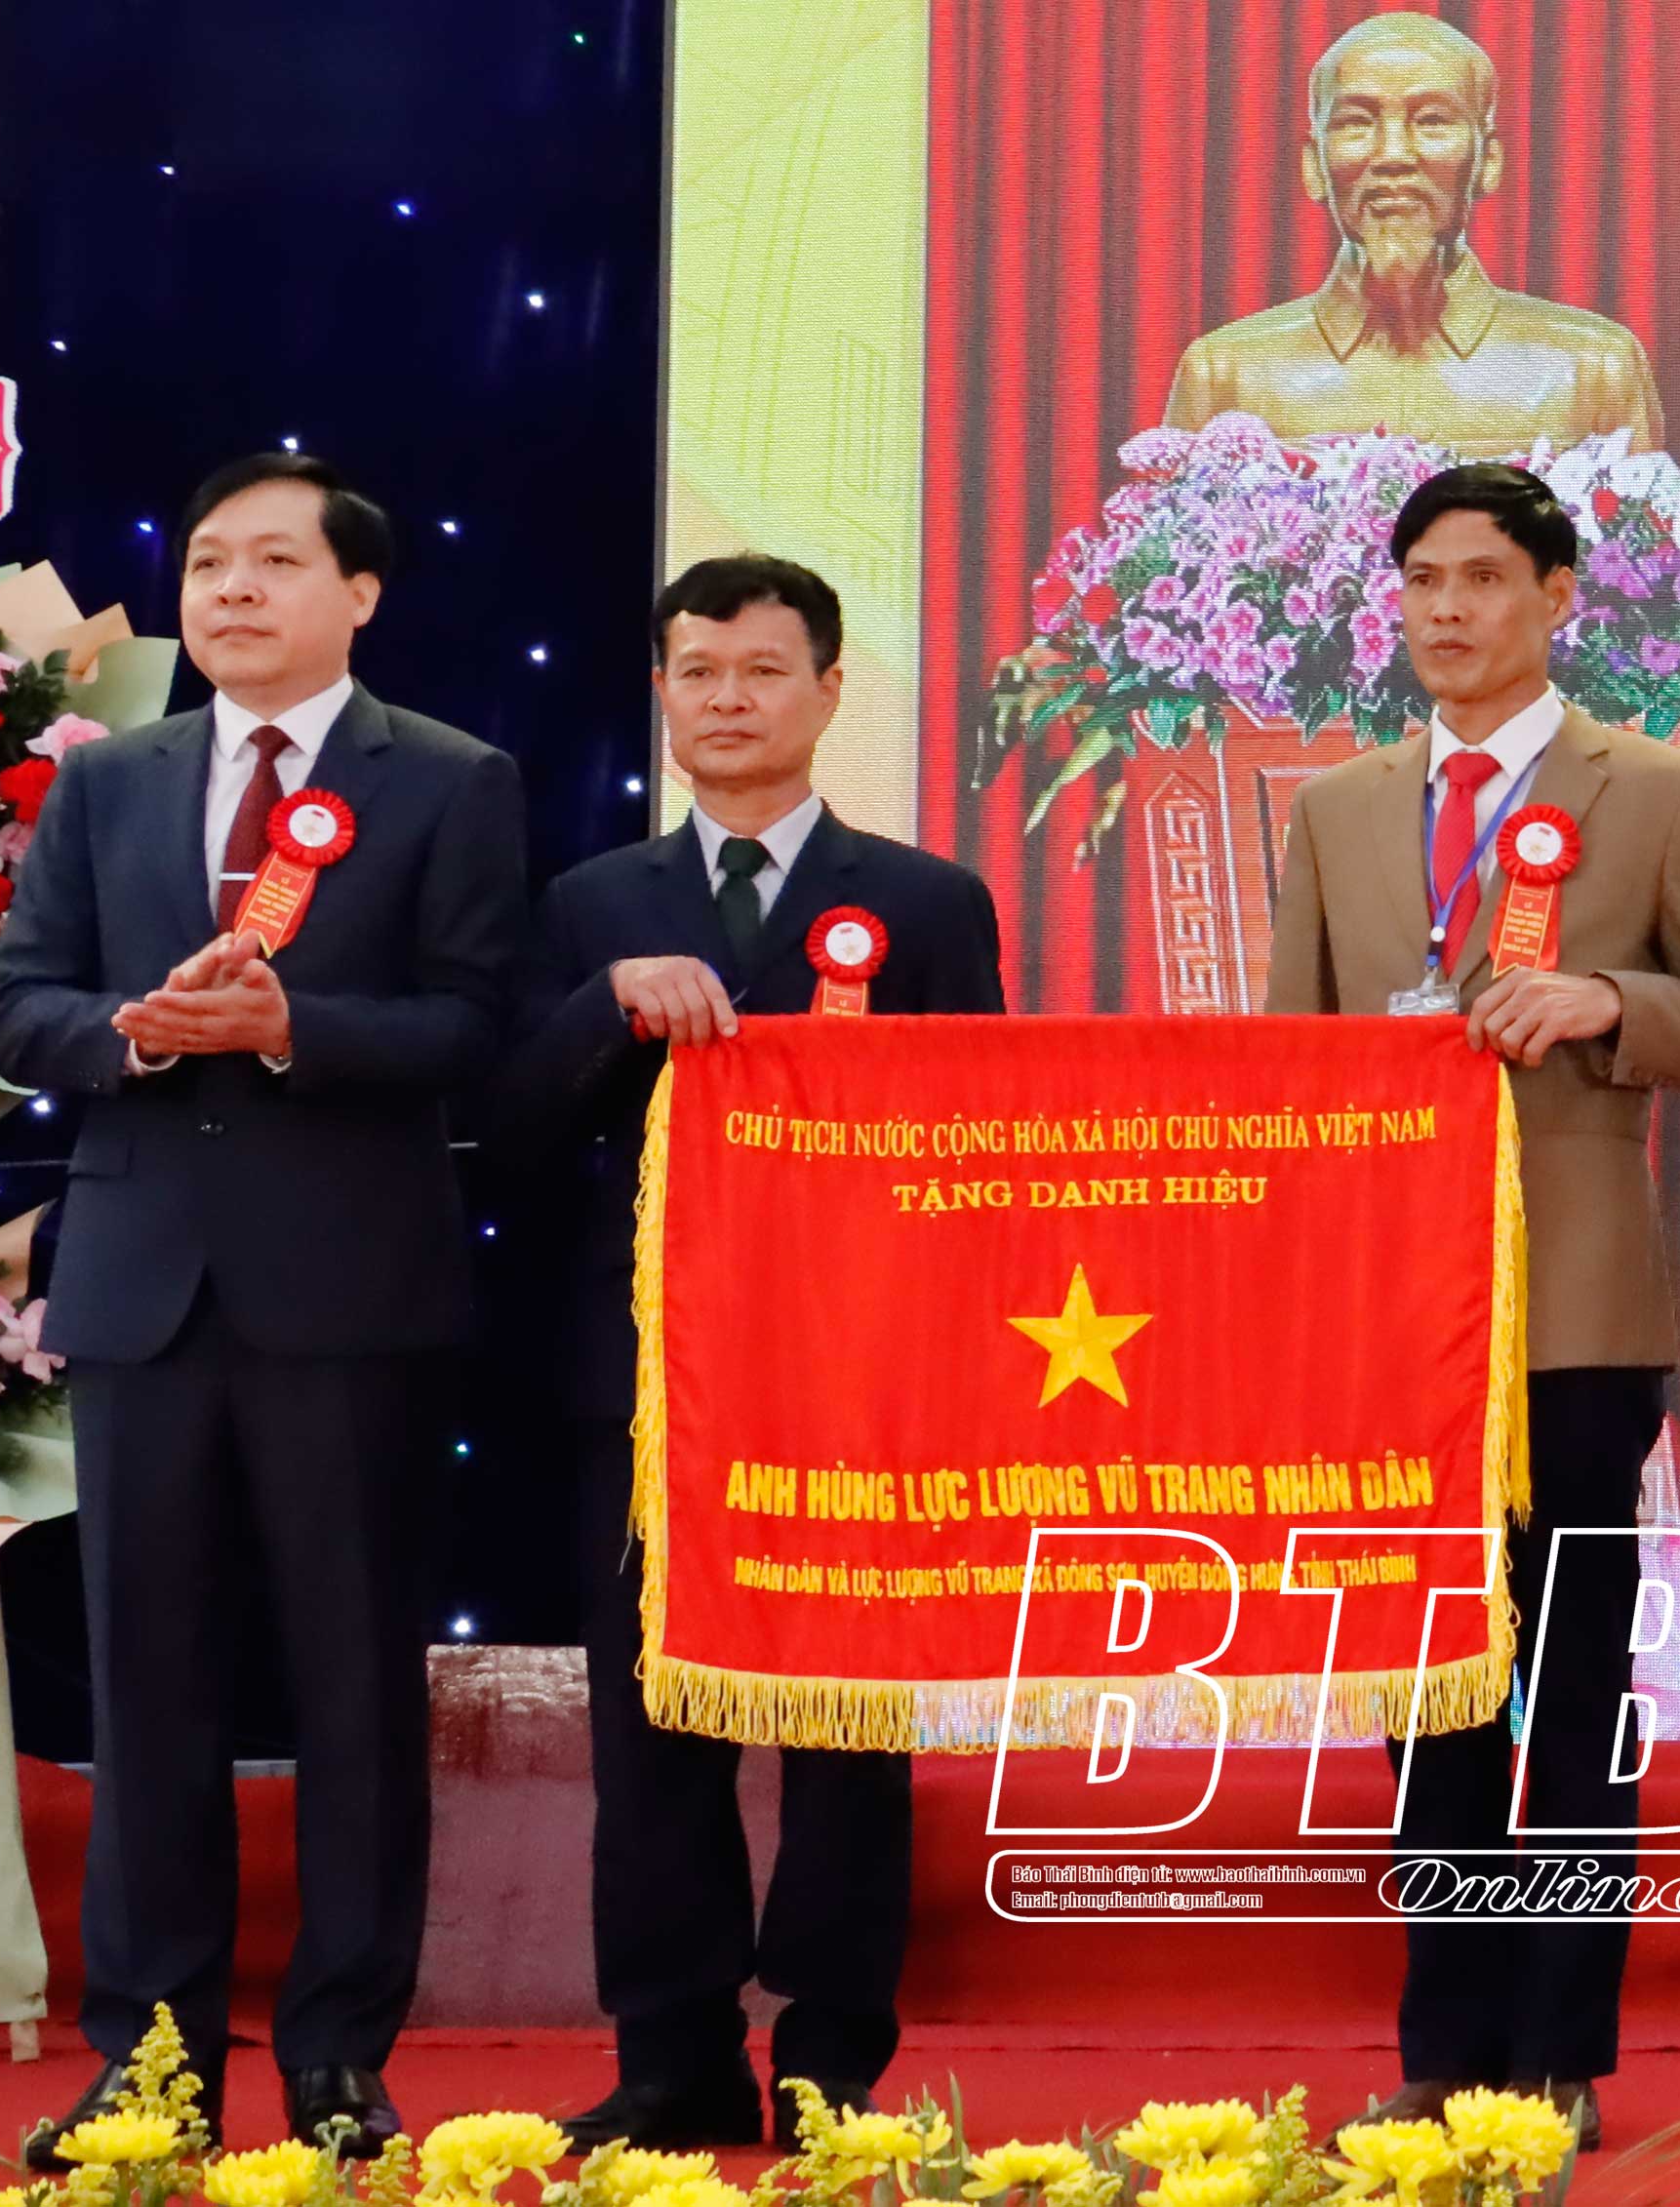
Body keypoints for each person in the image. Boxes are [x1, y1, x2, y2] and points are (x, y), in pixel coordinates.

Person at [0, 454, 525, 2160]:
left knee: (354, 1684)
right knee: (147, 1688)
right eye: (210, 561)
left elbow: (479, 1029)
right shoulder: (108, 781)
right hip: (143, 1291)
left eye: (275, 562)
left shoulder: (451, 778)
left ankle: (342, 2056)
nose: (230, 589)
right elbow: (19, 1005)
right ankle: (150, 2062)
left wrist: (295, 1028)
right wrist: (134, 1031)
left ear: (358, 594)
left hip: (348, 1294)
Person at [1267, 463, 1680, 2147]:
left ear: (1559, 596)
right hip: (1389, 1317)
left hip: (1574, 1311)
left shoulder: (1665, 789)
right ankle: (1446, 2038)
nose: (1446, 609)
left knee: (1568, 1682)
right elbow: (1288, 1064)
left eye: (1482, 577)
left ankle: (1558, 2047)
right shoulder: (1340, 808)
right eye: (1422, 579)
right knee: (1425, 1689)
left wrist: (1609, 999)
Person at [489, 555, 1003, 2149]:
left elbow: (989, 1143)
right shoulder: (588, 902)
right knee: (655, 1731)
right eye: (699, 670)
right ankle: (672, 2056)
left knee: (849, 1734)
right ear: (663, 690)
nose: (729, 698)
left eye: (765, 670)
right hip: (650, 1378)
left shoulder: (926, 902)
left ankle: (837, 2058)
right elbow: (506, 1126)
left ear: (830, 690)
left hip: (862, 1377)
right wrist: (603, 1008)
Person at [1162, 12, 1663, 451]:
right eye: (1356, 123)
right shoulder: (1225, 373)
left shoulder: (1593, 367)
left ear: (1487, 162)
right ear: (1313, 166)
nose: (1393, 155)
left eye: (1432, 121)